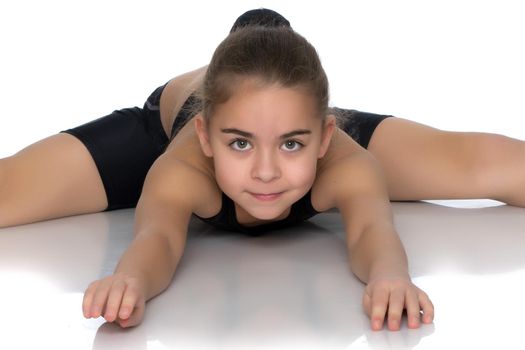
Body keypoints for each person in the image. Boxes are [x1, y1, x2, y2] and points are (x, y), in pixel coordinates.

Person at [2, 8, 524, 332]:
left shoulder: (345, 158)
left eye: (293, 144)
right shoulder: (183, 165)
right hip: (163, 124)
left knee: (486, 163)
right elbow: (158, 234)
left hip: (289, 112)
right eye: (240, 144)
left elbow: (371, 226)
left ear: (325, 134)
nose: (267, 172)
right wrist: (129, 281)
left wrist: (391, 278)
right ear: (208, 137)